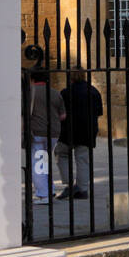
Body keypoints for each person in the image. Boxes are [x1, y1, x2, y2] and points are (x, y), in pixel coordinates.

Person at [54, 67, 103, 200]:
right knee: (82, 159)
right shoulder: (93, 91)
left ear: (70, 77)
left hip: (68, 131)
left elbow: (59, 113)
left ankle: (69, 184)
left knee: (61, 154)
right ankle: (82, 189)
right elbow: (99, 112)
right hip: (87, 131)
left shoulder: (65, 92)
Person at [28, 70, 66, 204]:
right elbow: (63, 116)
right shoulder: (55, 93)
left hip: (37, 132)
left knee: (38, 163)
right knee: (44, 161)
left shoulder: (30, 92)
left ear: (32, 79)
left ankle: (44, 195)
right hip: (54, 133)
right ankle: (49, 189)